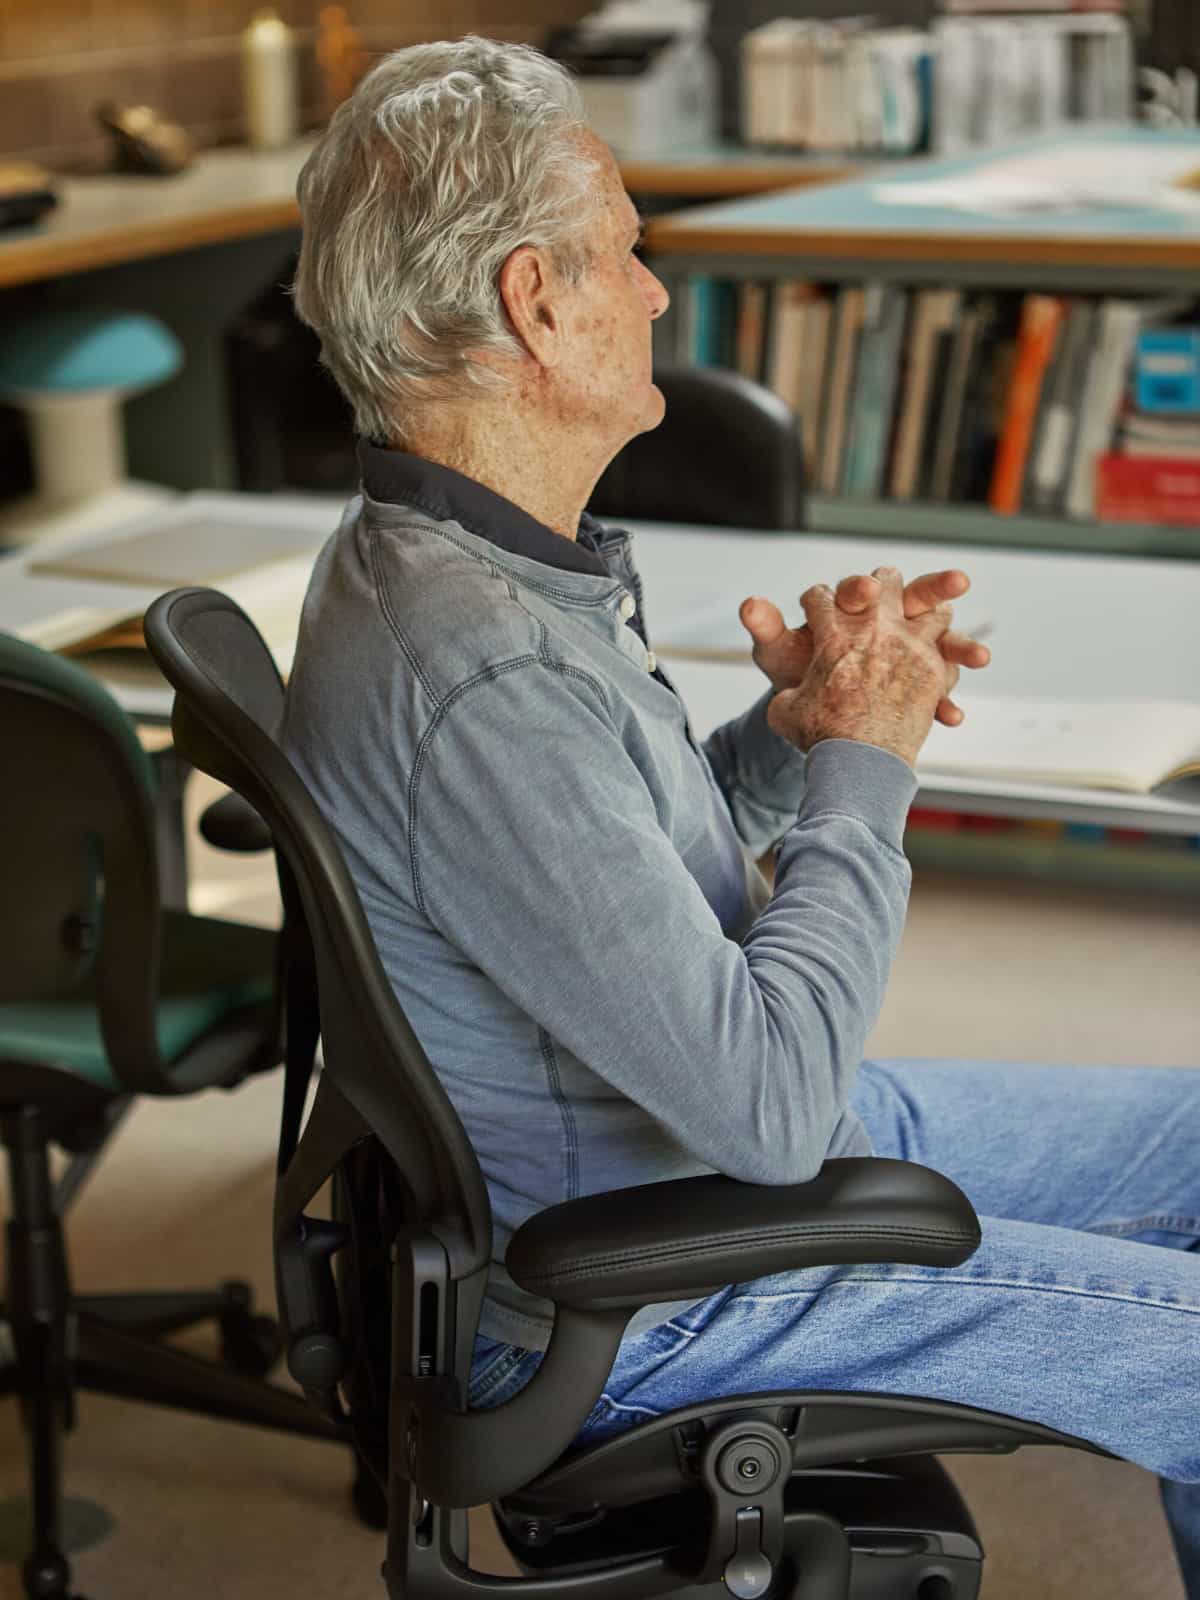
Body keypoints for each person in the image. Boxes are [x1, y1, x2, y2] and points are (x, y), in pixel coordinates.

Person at [284, 35, 1200, 1593]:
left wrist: (791, 733)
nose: (655, 293)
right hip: (654, 1284)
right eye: (628, 250)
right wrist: (868, 766)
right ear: (534, 300)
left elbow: (594, 884)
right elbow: (772, 1106)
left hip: (668, 1172)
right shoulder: (483, 673)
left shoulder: (437, 561)